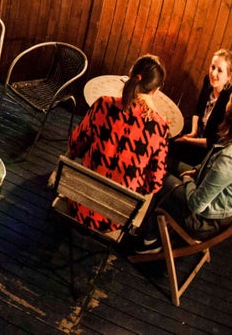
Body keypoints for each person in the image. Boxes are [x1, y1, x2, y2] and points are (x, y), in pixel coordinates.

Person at [137, 80, 232, 253]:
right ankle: (148, 225)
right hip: (211, 196)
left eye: (231, 100)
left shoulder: (230, 161)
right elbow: (213, 164)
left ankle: (149, 240)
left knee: (161, 176)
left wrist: (188, 179)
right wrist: (196, 171)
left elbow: (197, 204)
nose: (228, 103)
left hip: (203, 222)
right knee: (166, 161)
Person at [67, 54, 170, 234]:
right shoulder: (159, 128)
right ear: (155, 91)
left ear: (130, 74)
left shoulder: (103, 105)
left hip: (80, 203)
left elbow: (75, 145)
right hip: (117, 217)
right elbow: (154, 183)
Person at [167, 49, 232, 171]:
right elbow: (197, 110)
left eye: (219, 70)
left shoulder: (228, 100)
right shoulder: (208, 82)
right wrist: (193, 131)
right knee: (170, 131)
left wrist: (188, 140)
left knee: (173, 147)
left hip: (205, 147)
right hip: (198, 131)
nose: (213, 73)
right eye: (212, 67)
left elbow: (213, 141)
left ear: (228, 77)